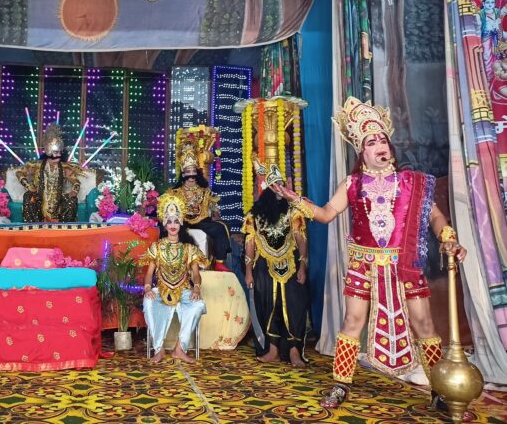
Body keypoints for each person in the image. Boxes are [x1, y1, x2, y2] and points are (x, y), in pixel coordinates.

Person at [272, 97, 471, 420]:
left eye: (382, 140)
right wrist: (295, 199)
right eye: (371, 142)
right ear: (361, 152)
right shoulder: (352, 184)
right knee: (352, 322)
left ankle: (438, 390)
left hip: (404, 264)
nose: (380, 146)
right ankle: (341, 384)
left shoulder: (411, 182)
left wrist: (448, 237)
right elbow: (325, 214)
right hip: (363, 265)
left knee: (424, 324)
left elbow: (435, 216)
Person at [243, 158, 309, 368]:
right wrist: (248, 271)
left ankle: (294, 350)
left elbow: (301, 239)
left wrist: (303, 266)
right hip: (264, 265)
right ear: (268, 190)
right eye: (275, 186)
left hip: (290, 264)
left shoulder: (294, 211)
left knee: (294, 306)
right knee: (268, 306)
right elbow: (250, 243)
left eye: (282, 185)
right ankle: (272, 349)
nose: (280, 190)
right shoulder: (254, 215)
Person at [141, 193, 207, 364]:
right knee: (148, 303)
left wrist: (196, 288)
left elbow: (196, 274)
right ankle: (159, 349)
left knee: (198, 305)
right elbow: (149, 273)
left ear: (181, 223)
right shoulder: (156, 247)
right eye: (169, 221)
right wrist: (147, 288)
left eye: (176, 221)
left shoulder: (189, 248)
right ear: (164, 224)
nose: (172, 225)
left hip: (184, 290)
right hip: (161, 290)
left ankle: (180, 348)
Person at [166, 141, 230, 271]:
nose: (191, 177)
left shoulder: (204, 191)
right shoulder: (174, 192)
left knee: (221, 227)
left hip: (201, 222)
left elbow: (213, 206)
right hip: (182, 222)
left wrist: (215, 211)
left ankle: (219, 262)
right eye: (188, 173)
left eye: (193, 173)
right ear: (183, 174)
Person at [16, 125, 82, 223]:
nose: (58, 155)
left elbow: (76, 182)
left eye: (60, 152)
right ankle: (34, 227)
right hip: (39, 201)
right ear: (48, 152)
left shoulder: (65, 167)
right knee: (28, 196)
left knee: (72, 201)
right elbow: (19, 173)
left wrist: (74, 191)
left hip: (57, 202)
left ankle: (63, 228)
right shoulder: (36, 165)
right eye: (55, 152)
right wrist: (29, 186)